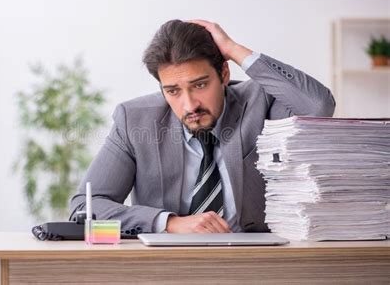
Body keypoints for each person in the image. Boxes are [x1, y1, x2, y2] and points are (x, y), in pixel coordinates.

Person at [69, 19, 335, 236]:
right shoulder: (134, 120)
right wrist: (170, 223)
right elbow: (85, 208)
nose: (189, 105)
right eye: (173, 91)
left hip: (256, 263)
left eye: (199, 85)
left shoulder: (259, 101)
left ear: (224, 74)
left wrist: (232, 49)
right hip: (166, 268)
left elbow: (317, 106)